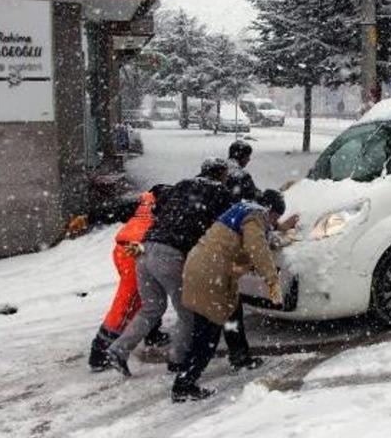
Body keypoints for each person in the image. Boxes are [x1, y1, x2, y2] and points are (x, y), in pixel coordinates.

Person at [106, 158, 233, 377]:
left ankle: (119, 349)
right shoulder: (219, 192)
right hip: (170, 253)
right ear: (221, 174)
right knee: (188, 312)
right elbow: (226, 224)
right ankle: (178, 360)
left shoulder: (182, 185)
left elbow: (159, 208)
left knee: (151, 308)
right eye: (225, 175)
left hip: (144, 248)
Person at [172, 189, 288, 402]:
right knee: (207, 334)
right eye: (275, 217)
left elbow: (261, 238)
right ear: (269, 210)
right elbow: (257, 247)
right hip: (210, 274)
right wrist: (272, 280)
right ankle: (184, 384)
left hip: (204, 267)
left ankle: (240, 357)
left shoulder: (245, 210)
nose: (273, 222)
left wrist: (280, 234)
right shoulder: (256, 216)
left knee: (233, 313)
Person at [88, 184, 172, 372]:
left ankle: (152, 334)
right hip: (135, 251)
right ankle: (99, 353)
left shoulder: (145, 201)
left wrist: (90, 217)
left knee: (149, 295)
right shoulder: (168, 204)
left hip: (125, 248)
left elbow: (116, 211)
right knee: (127, 303)